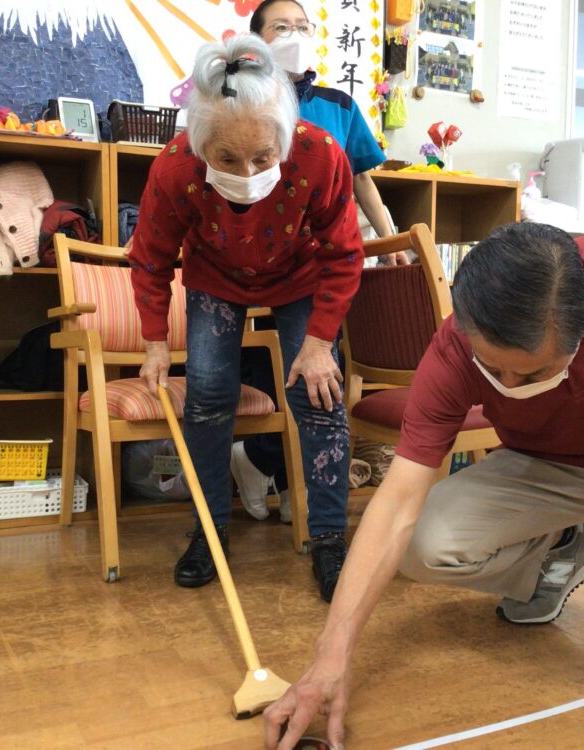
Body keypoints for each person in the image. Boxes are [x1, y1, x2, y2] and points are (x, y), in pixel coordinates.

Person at [263, 223, 584, 748]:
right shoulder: (453, 348)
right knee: (423, 541)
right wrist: (328, 659)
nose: (510, 385)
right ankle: (562, 548)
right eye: (495, 369)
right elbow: (398, 500)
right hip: (546, 471)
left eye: (532, 371)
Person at [128, 34, 362, 601]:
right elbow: (151, 258)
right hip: (215, 276)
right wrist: (155, 342)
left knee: (317, 392)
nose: (248, 171)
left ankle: (330, 539)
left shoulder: (320, 153)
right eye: (227, 159)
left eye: (263, 157)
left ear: (284, 138)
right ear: (200, 143)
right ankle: (210, 532)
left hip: (300, 273)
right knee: (209, 392)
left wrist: (319, 343)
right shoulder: (175, 167)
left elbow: (345, 253)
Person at [231, 0, 408, 525]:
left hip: (319, 264)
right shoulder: (238, 99)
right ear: (256, 41)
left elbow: (360, 177)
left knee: (315, 378)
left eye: (304, 27)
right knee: (260, 371)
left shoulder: (337, 104)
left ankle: (293, 486)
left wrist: (388, 233)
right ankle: (263, 462)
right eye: (282, 27)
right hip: (250, 258)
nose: (295, 35)